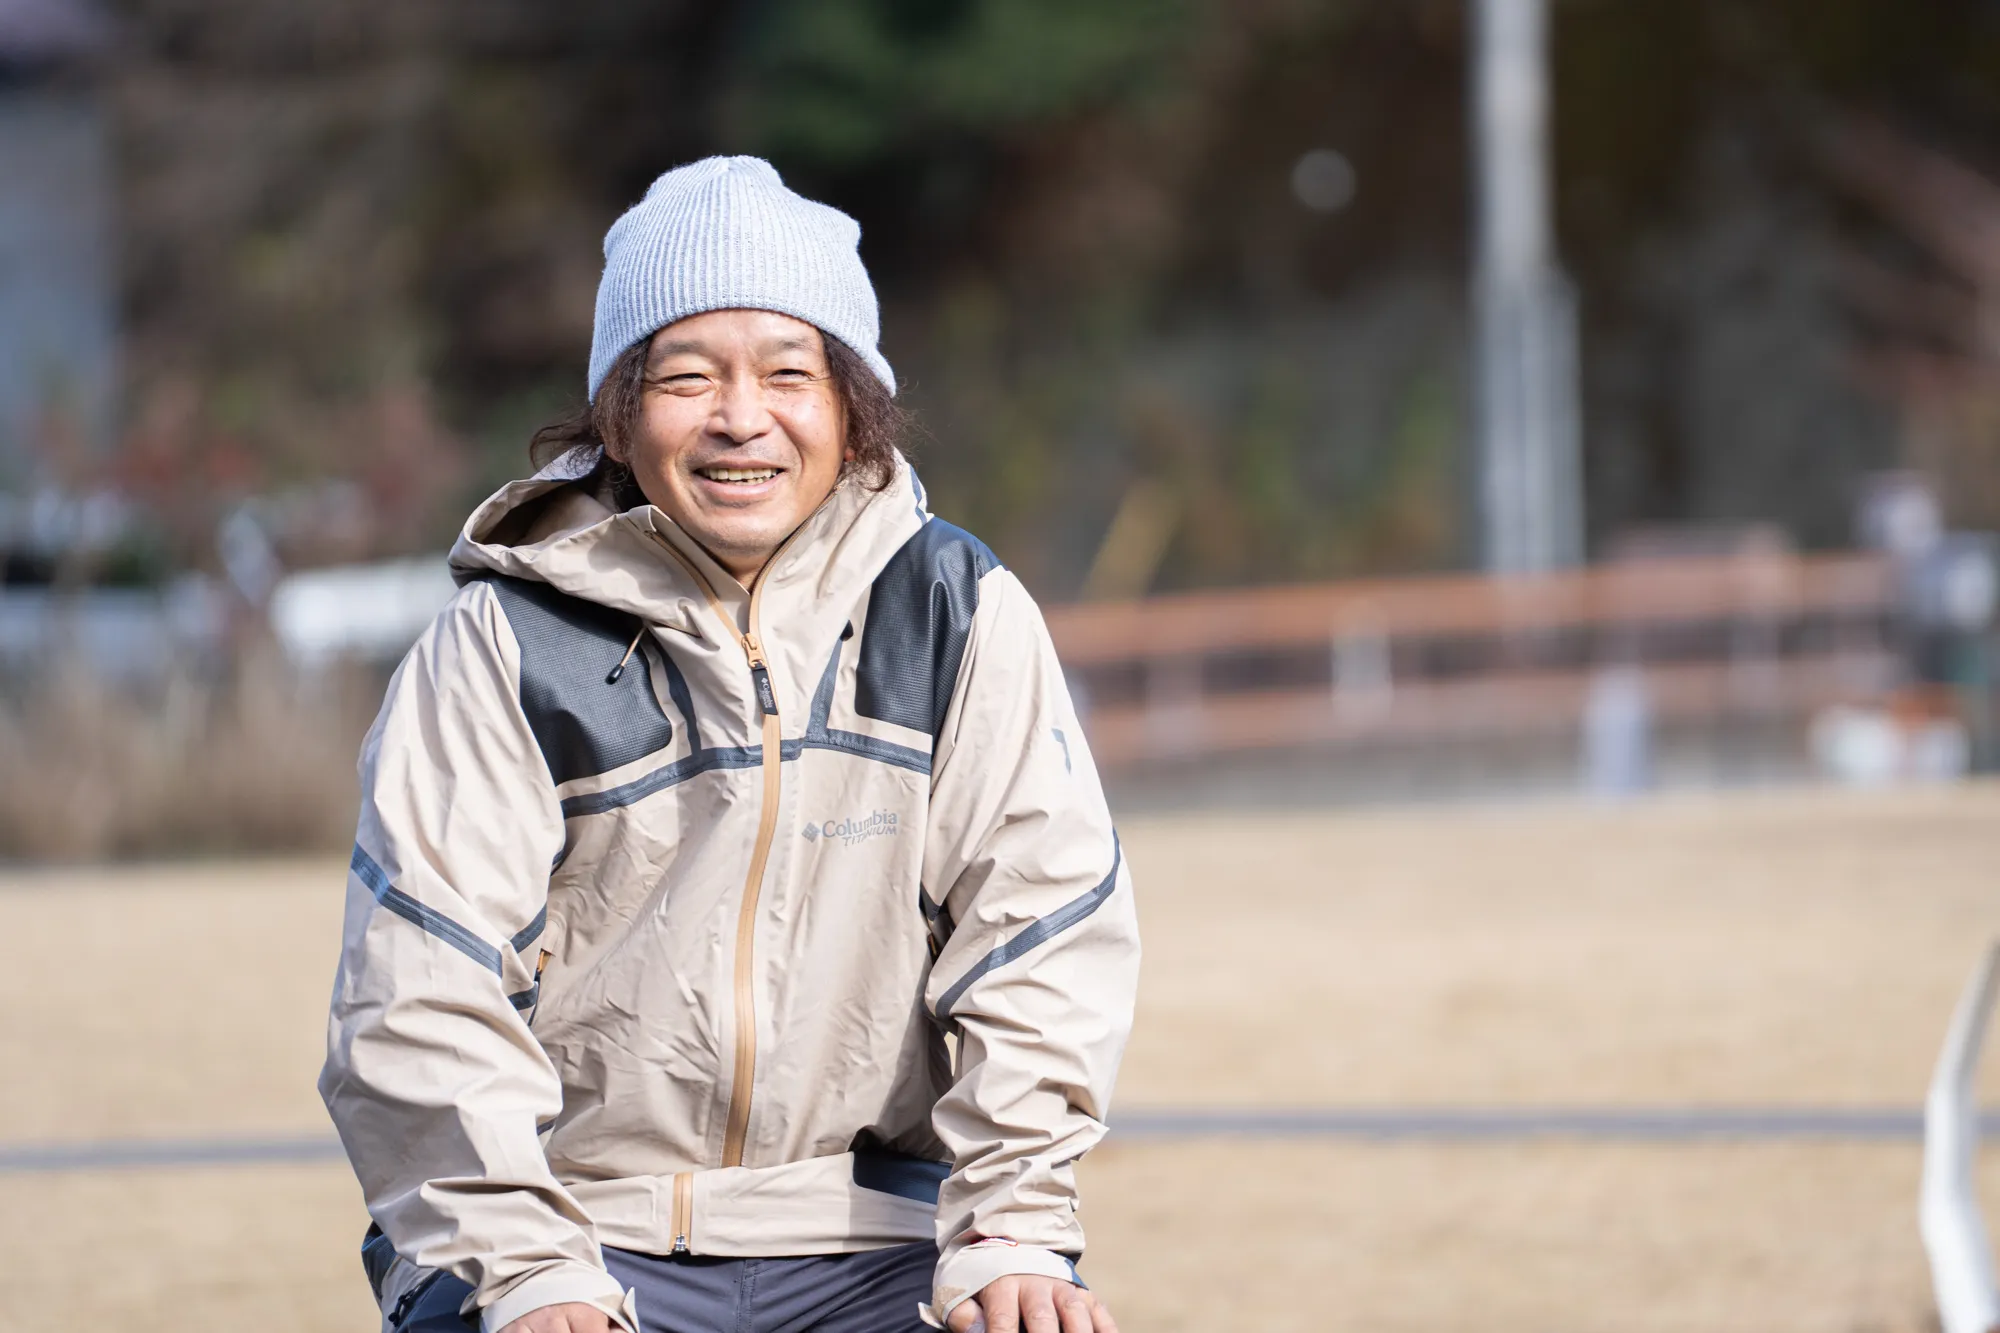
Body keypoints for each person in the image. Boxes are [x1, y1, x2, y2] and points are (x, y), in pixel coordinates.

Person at [320, 155, 1140, 1333]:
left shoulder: (954, 610)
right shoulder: (500, 645)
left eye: (787, 372)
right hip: (568, 1226)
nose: (740, 418)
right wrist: (531, 1271)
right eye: (686, 376)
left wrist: (1011, 1227)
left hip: (879, 1230)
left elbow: (1042, 930)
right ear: (617, 415)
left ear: (852, 405)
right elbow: (420, 986)